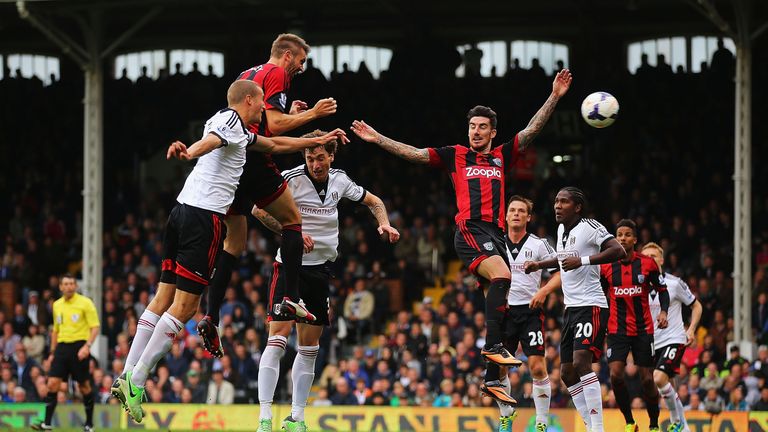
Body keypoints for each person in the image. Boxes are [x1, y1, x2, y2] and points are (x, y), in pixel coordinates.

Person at [112, 79, 348, 423]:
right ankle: (137, 379)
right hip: (202, 218)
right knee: (185, 306)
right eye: (263, 103)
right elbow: (210, 142)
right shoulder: (231, 121)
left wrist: (316, 139)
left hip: (180, 212)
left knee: (163, 296)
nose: (265, 109)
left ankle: (127, 374)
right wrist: (188, 152)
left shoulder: (238, 129)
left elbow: (275, 143)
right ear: (250, 100)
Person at [351, 69, 573, 404]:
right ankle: (494, 348)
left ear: (492, 132)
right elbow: (415, 153)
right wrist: (378, 139)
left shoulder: (501, 155)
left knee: (494, 300)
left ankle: (492, 380)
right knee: (503, 275)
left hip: (494, 235)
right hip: (470, 229)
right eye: (472, 126)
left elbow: (530, 131)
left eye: (483, 127)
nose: (476, 131)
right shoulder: (455, 155)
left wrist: (554, 96)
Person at [198, 33, 341, 358]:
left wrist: (290, 112)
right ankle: (291, 296)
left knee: (233, 243)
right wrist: (314, 115)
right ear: (288, 56)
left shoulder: (248, 75)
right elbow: (273, 129)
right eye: (301, 62)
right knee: (292, 220)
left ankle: (211, 314)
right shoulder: (277, 73)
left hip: (232, 162)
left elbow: (266, 119)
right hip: (255, 158)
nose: (301, 69)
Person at [253, 130, 400, 432]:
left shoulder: (340, 180)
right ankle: (265, 417)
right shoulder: (290, 178)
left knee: (310, 348)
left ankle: (297, 418)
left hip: (320, 271)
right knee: (277, 340)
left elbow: (374, 201)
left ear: (331, 157)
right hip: (289, 267)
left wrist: (383, 222)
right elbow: (258, 209)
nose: (315, 164)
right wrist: (291, 231)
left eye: (320, 157)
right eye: (310, 157)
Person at [523, 187, 626, 432]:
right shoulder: (560, 230)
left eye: (564, 202)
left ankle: (597, 428)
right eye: (556, 201)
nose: (557, 206)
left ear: (577, 207)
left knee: (581, 363)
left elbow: (618, 250)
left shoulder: (590, 227)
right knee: (567, 373)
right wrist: (539, 263)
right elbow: (562, 258)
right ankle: (590, 425)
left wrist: (583, 260)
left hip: (591, 305)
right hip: (570, 308)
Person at [496, 196, 562, 432]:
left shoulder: (539, 244)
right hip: (504, 312)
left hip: (530, 311)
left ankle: (542, 423)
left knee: (536, 367)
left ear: (528, 217)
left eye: (520, 211)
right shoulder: (496, 243)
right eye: (512, 210)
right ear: (505, 216)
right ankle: (506, 417)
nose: (515, 213)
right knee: (499, 367)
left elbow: (560, 272)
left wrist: (544, 290)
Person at [599, 219, 669, 432]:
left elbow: (662, 290)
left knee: (647, 380)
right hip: (617, 329)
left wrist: (664, 312)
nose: (622, 238)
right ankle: (630, 422)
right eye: (619, 234)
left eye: (627, 234)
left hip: (643, 329)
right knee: (615, 375)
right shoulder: (607, 266)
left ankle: (654, 424)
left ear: (635, 239)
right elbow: (601, 296)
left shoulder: (647, 264)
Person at [643, 241, 702, 432]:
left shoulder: (674, 283)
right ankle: (683, 427)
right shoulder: (638, 286)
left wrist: (691, 329)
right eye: (646, 257)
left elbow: (696, 306)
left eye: (653, 256)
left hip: (673, 338)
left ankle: (676, 421)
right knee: (660, 385)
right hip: (651, 343)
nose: (649, 260)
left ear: (661, 260)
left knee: (659, 378)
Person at [32, 275, 100, 431]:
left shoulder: (85, 303)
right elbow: (55, 330)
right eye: (65, 284)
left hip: (79, 347)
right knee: (52, 383)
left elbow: (95, 327)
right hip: (62, 348)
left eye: (71, 284)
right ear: (61, 287)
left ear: (75, 286)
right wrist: (52, 352)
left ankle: (89, 424)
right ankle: (46, 424)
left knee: (84, 386)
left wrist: (87, 346)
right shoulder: (57, 305)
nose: (69, 286)